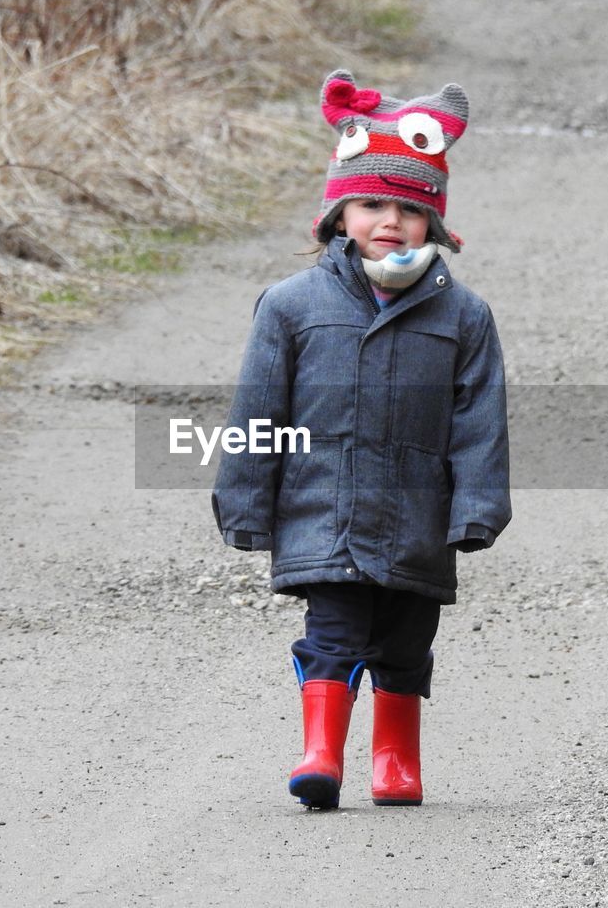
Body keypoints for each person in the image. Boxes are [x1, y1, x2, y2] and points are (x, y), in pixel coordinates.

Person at [212, 69, 511, 809]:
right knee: (334, 633)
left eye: (409, 209)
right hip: (323, 507)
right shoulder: (291, 306)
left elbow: (480, 422)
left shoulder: (464, 318)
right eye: (371, 203)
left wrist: (476, 507)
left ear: (433, 223)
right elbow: (257, 410)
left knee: (406, 645)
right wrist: (245, 502)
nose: (389, 221)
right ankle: (321, 752)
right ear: (339, 214)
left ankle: (396, 759)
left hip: (417, 516)